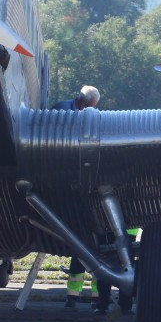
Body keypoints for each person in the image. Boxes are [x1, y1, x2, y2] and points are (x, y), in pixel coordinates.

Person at [52, 85, 101, 308]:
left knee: (81, 251)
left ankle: (82, 296)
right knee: (94, 252)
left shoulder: (76, 111)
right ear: (82, 102)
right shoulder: (62, 111)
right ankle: (93, 297)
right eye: (90, 107)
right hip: (67, 181)